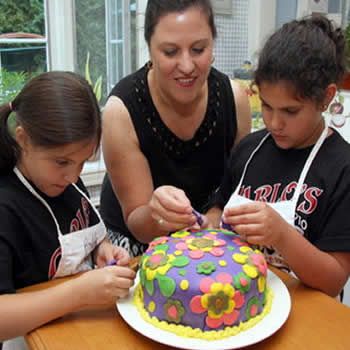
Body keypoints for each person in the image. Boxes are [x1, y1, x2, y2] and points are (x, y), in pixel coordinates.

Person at [207, 15, 350, 297]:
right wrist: (203, 223)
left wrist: (282, 235)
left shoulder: (342, 168)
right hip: (242, 305)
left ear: (326, 97)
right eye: (267, 106)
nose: (274, 123)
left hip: (307, 318)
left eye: (290, 111)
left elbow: (334, 278)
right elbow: (218, 209)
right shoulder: (249, 150)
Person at [100, 0, 251, 257]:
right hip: (136, 248)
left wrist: (213, 217)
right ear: (149, 48)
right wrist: (157, 213)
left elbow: (238, 188)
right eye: (170, 52)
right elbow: (138, 223)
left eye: (198, 49)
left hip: (210, 241)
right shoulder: (121, 111)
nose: (187, 66)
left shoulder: (234, 99)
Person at [0, 71, 136, 343]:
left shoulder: (64, 183)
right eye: (61, 162)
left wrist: (102, 249)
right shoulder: (6, 207)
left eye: (83, 162)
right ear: (23, 138)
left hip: (82, 330)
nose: (74, 176)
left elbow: (81, 232)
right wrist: (79, 293)